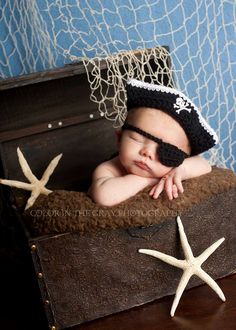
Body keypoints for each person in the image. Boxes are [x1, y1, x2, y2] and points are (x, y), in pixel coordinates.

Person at [88, 79, 218, 206]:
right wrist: (149, 180)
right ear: (119, 138)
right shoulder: (109, 168)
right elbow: (103, 196)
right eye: (137, 139)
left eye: (168, 151)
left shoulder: (174, 166)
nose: (148, 152)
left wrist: (182, 170)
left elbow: (205, 165)